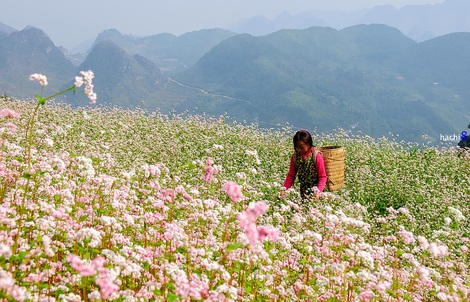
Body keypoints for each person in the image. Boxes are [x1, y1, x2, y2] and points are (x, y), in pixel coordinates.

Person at [279, 129, 327, 200]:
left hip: (318, 193)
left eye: (302, 147)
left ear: (309, 144)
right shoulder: (295, 157)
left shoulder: (316, 156)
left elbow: (322, 177)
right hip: (304, 193)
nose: (299, 150)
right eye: (297, 147)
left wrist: (318, 192)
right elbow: (291, 175)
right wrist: (284, 189)